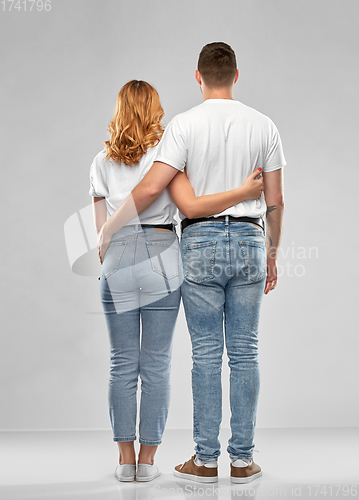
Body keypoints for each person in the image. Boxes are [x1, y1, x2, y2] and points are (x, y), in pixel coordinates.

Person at [97, 43, 286, 484]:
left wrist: (108, 230)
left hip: (197, 242)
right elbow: (274, 201)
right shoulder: (264, 125)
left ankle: (204, 460)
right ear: (236, 76)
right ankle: (242, 461)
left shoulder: (182, 126)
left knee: (204, 353)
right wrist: (273, 252)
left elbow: (149, 190)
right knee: (245, 352)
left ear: (198, 77)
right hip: (249, 241)